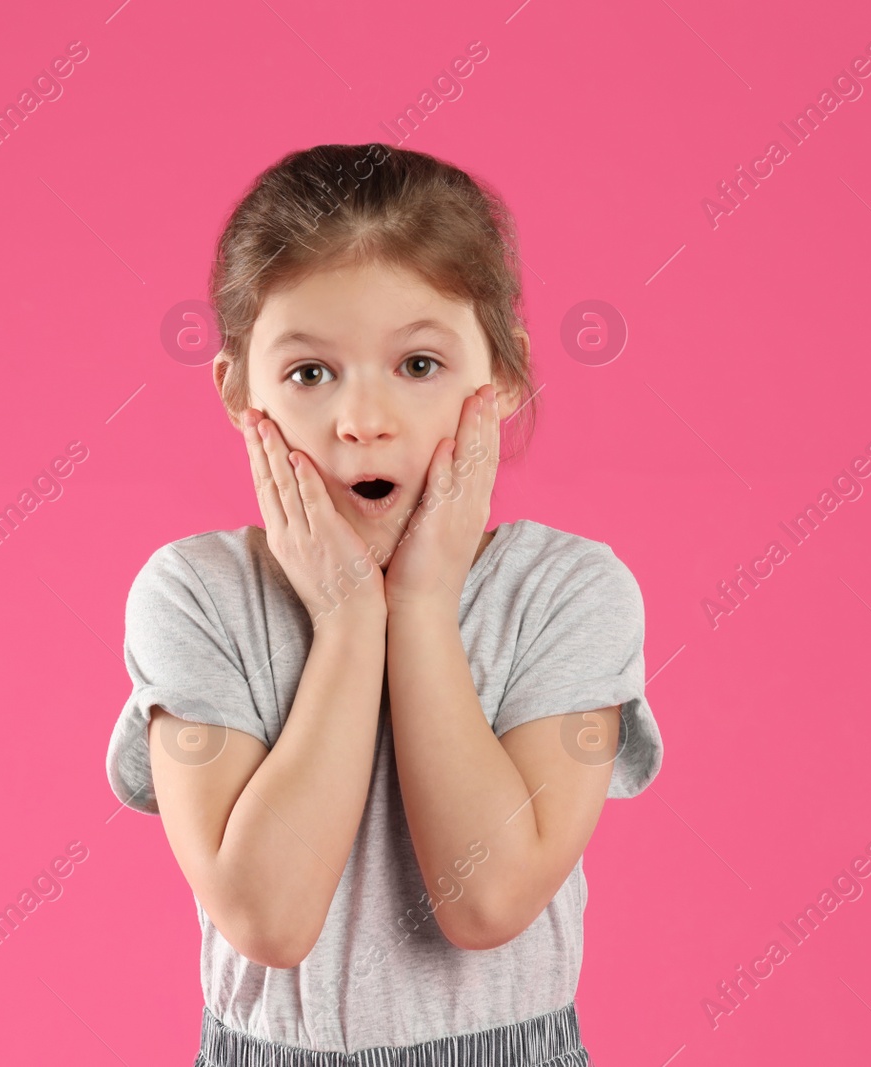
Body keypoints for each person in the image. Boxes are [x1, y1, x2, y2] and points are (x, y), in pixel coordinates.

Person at [104, 142, 663, 1066]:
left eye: (418, 364)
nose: (364, 419)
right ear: (240, 393)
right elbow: (271, 918)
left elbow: (483, 900)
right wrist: (348, 617)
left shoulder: (569, 593)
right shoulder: (197, 594)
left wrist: (426, 604)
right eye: (310, 373)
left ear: (506, 377)